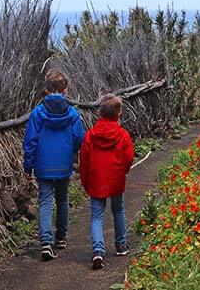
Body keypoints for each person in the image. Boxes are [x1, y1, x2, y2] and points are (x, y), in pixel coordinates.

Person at [22, 69, 86, 261]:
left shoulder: (37, 113)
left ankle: (46, 243)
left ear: (46, 89)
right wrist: (69, 152)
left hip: (43, 165)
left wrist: (28, 165)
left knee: (45, 202)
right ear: (65, 89)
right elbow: (79, 139)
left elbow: (30, 142)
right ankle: (61, 238)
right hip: (63, 164)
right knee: (63, 200)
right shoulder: (72, 113)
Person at [79, 94, 135, 270]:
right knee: (118, 210)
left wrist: (85, 181)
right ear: (119, 115)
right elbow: (129, 157)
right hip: (116, 178)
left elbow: (84, 161)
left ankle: (97, 250)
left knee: (96, 216)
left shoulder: (90, 136)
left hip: (96, 179)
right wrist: (122, 171)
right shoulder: (122, 135)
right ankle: (121, 244)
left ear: (99, 114)